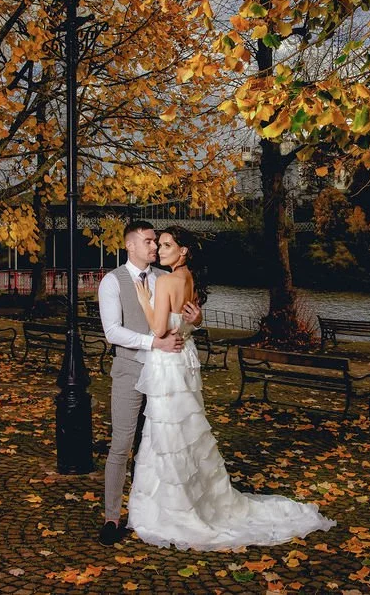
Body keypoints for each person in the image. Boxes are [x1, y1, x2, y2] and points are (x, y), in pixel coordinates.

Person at [126, 226, 335, 551]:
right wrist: (195, 322)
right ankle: (183, 498)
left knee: (169, 430)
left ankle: (175, 508)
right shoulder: (189, 279)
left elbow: (157, 328)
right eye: (160, 244)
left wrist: (143, 299)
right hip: (185, 360)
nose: (160, 250)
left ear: (183, 252)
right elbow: (186, 321)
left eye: (167, 245)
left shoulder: (166, 281)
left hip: (169, 362)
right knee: (181, 430)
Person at [97, 220, 202, 546]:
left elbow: (179, 323)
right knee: (121, 445)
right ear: (130, 245)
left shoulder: (165, 277)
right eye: (148, 242)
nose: (155, 247)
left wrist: (196, 320)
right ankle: (112, 517)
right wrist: (153, 343)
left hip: (163, 375)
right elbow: (112, 332)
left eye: (157, 242)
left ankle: (150, 512)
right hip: (130, 373)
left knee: (158, 446)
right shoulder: (111, 282)